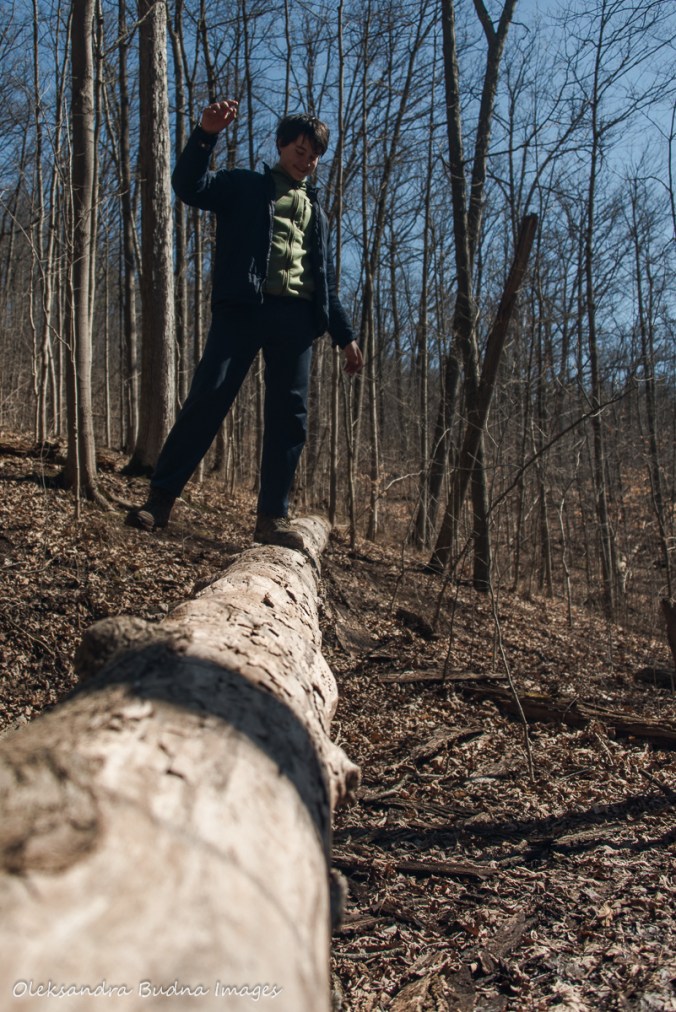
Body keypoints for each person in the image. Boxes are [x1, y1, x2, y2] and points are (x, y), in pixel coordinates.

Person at [127, 99, 363, 549]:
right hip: (244, 310)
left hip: (297, 321)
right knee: (208, 395)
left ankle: (272, 518)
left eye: (314, 153)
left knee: (289, 419)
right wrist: (205, 134)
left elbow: (324, 279)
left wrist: (345, 335)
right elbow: (189, 186)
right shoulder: (246, 186)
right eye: (299, 148)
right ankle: (158, 502)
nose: (306, 158)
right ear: (281, 146)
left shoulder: (318, 214)